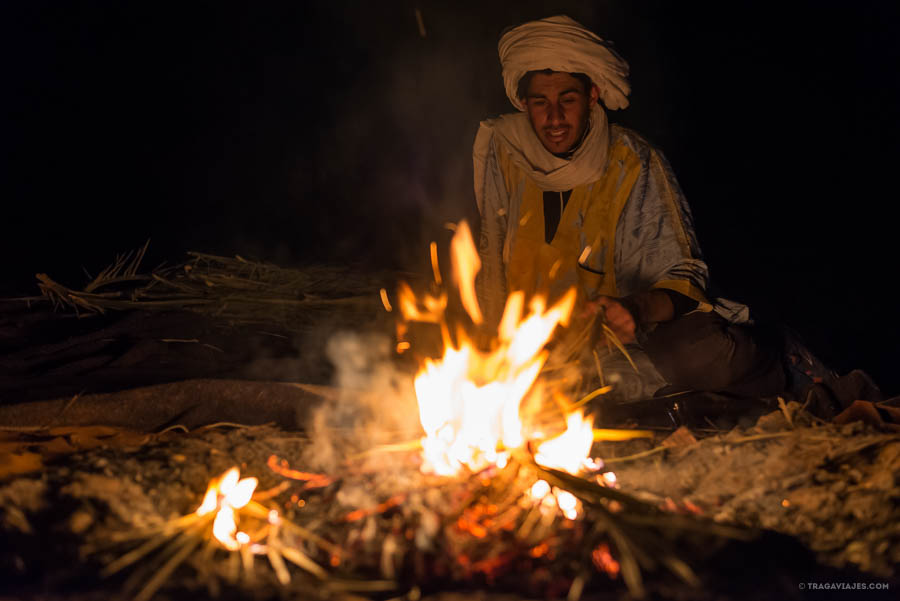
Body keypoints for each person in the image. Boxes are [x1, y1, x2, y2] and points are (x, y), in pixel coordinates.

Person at [473, 15, 801, 401]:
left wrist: (634, 309)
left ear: (593, 96)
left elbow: (684, 276)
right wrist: (493, 352)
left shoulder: (633, 161)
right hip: (536, 352)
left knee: (705, 358)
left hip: (633, 342)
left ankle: (784, 365)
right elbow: (490, 256)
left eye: (568, 99)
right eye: (540, 102)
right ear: (524, 104)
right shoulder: (503, 149)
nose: (554, 118)